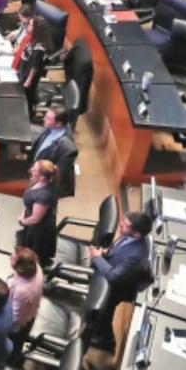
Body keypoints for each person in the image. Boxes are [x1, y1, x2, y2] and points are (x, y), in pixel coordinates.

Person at [87, 212, 153, 356]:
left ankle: (106, 342)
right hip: (113, 269)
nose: (120, 224)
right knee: (102, 314)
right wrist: (104, 252)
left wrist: (98, 258)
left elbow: (114, 277)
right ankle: (99, 334)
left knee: (105, 314)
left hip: (117, 288)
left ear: (136, 234)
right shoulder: (131, 237)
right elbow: (117, 248)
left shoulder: (136, 254)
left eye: (126, 225)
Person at [28, 105, 79, 198]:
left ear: (58, 124)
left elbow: (58, 175)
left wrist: (40, 188)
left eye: (48, 118)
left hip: (44, 185)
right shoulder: (50, 128)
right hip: (36, 175)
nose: (44, 119)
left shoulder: (67, 148)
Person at [7, 247, 43, 367]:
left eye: (12, 258)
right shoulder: (36, 267)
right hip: (31, 312)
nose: (9, 257)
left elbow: (16, 319)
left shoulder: (22, 291)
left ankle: (11, 362)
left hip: (18, 326)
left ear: (21, 267)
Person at [18, 159, 58, 266]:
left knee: (32, 258)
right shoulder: (37, 181)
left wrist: (22, 221)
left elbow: (35, 219)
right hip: (31, 224)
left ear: (42, 177)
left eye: (34, 170)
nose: (31, 170)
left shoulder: (44, 196)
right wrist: (24, 212)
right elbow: (30, 205)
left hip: (38, 232)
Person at [17, 16, 52, 113]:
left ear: (37, 29)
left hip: (28, 76)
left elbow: (35, 67)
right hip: (23, 69)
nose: (28, 26)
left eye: (31, 25)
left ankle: (28, 114)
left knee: (27, 97)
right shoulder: (32, 39)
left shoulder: (39, 49)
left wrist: (28, 81)